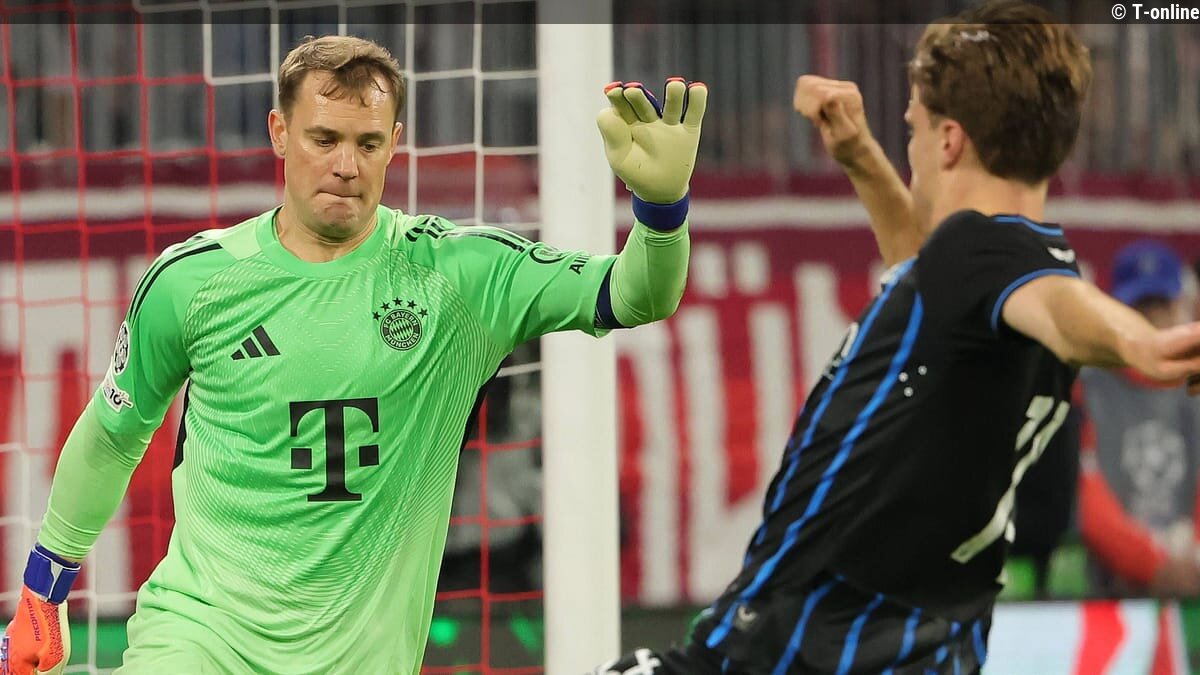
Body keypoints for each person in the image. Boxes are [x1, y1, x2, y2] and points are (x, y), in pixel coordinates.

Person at [1, 35, 708, 674]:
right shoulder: (193, 282)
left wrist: (662, 210)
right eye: (324, 138)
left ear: (395, 143)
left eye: (367, 143)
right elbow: (113, 434)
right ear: (279, 132)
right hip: (200, 637)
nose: (345, 165)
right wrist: (43, 591)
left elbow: (637, 295)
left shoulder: (459, 278)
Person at [597, 2, 1200, 673]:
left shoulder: (992, 256)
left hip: (796, 647)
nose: (908, 147)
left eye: (912, 127)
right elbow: (938, 272)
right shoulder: (984, 280)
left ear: (949, 141)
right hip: (921, 650)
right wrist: (860, 157)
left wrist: (1144, 345)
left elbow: (1059, 305)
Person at [1077, 239, 1200, 597]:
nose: (1153, 320)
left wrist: (1192, 556)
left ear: (1180, 306)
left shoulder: (1194, 388)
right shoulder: (1087, 389)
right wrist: (1152, 564)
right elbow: (1087, 498)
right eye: (1140, 308)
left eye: (1162, 306)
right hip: (1110, 593)